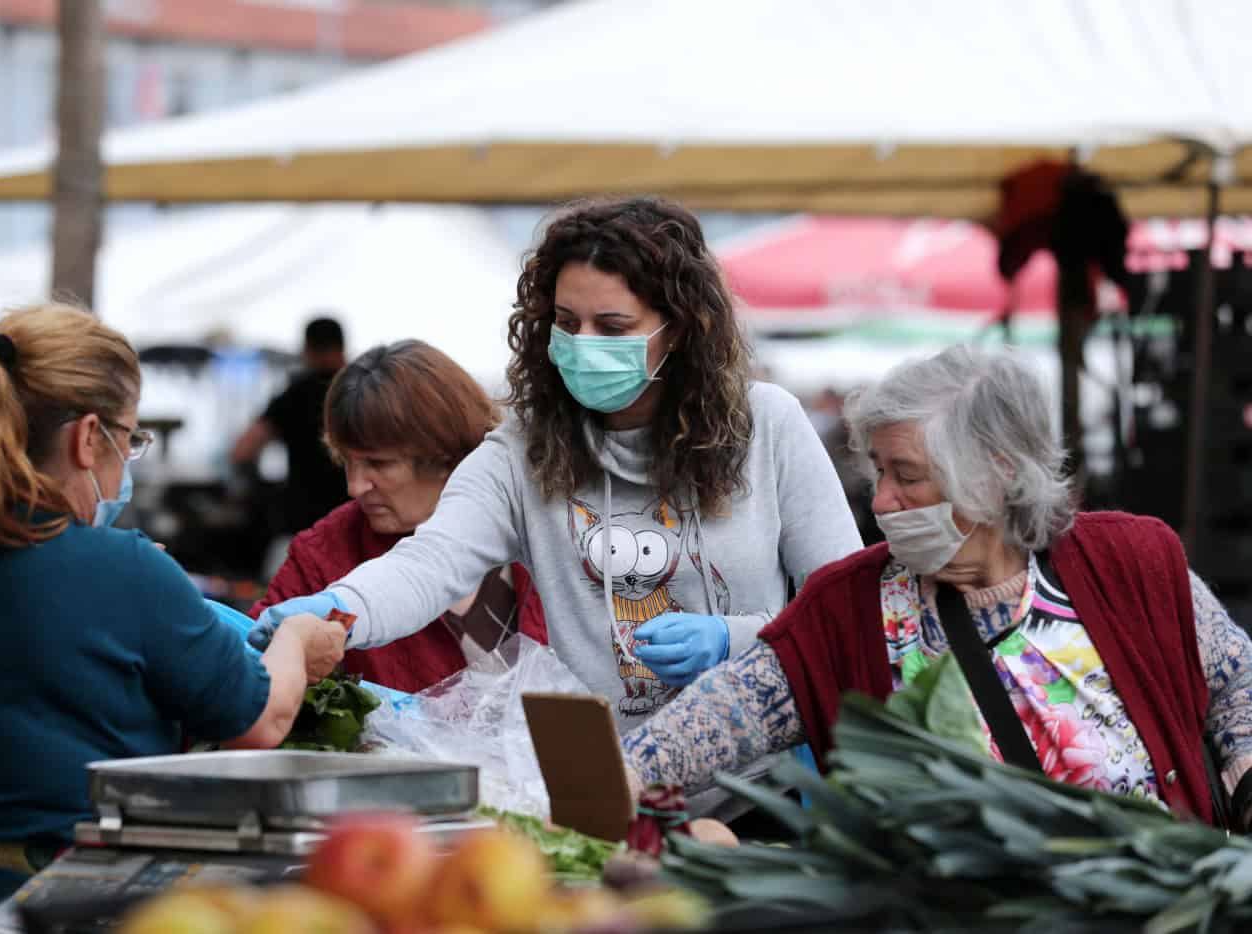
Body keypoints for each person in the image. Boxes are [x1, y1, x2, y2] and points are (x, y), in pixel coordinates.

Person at [249, 197, 862, 733]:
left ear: (679, 330)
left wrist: (737, 637)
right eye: (567, 323)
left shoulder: (768, 426)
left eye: (613, 326)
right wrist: (337, 608)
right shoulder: (524, 450)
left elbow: (849, 605)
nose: (585, 343)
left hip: (757, 784)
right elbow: (429, 564)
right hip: (606, 781)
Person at [0, 305, 347, 931]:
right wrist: (297, 638)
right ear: (88, 437)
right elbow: (263, 719)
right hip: (37, 911)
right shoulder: (126, 568)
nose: (128, 461)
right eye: (130, 440)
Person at [622, 344, 1252, 827]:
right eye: (878, 472)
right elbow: (722, 719)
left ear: (997, 474)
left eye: (908, 475)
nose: (883, 501)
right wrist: (616, 777)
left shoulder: (1130, 563)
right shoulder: (846, 609)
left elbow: (1236, 684)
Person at [251, 341, 548, 693]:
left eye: (378, 464)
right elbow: (248, 672)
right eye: (346, 461)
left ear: (446, 454)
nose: (354, 486)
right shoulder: (323, 556)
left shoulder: (547, 529)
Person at [231, 316, 349, 534]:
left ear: (307, 349)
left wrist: (259, 490)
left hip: (307, 520)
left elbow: (242, 451)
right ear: (343, 347)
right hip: (359, 516)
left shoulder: (294, 395)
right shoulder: (364, 390)